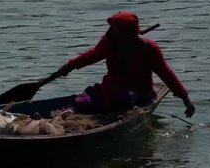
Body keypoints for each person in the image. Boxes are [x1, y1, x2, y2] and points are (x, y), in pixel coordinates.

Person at [52, 11, 196, 118]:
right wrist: (68, 67)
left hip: (137, 93)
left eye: (115, 30)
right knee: (82, 102)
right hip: (109, 89)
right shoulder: (110, 42)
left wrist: (185, 98)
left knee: (124, 101)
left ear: (127, 34)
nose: (111, 32)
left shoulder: (149, 49)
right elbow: (91, 56)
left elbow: (166, 73)